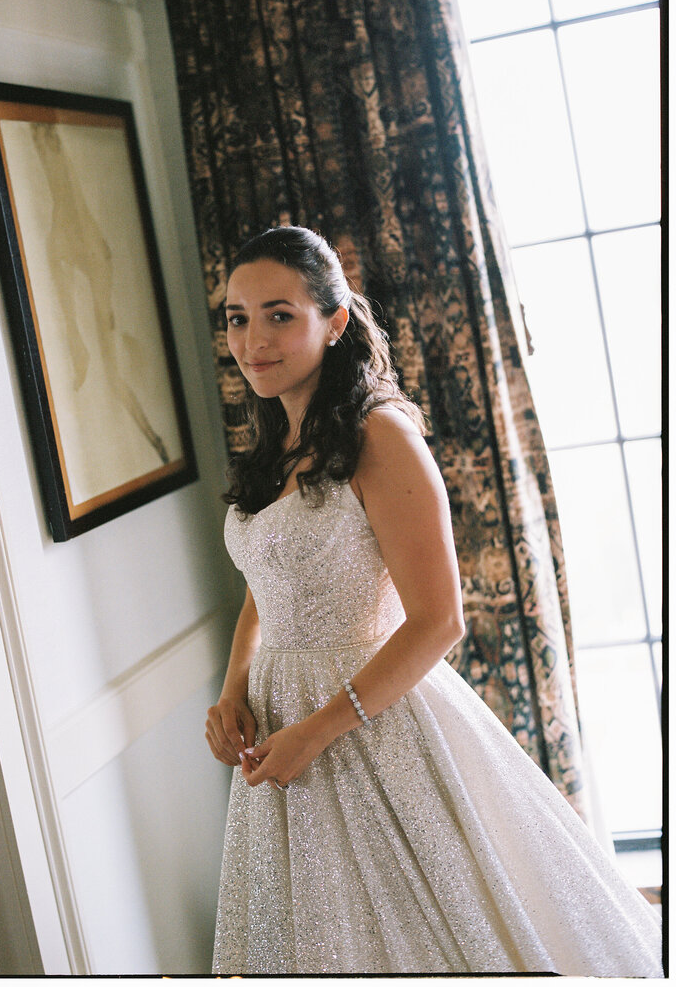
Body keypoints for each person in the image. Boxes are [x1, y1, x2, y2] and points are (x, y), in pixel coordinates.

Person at [205, 225, 662, 975]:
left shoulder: (378, 435)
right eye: (237, 316)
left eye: (279, 314)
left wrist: (318, 730)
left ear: (335, 319)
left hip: (371, 721)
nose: (253, 339)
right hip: (277, 733)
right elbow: (267, 581)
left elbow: (438, 620)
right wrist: (233, 690)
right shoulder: (273, 442)